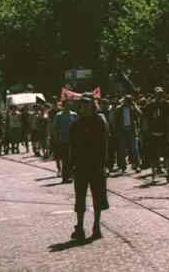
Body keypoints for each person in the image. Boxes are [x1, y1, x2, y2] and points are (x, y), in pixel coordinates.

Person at [69, 95, 110, 240]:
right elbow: (72, 147)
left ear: (93, 106)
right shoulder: (76, 123)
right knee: (80, 197)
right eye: (82, 105)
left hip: (96, 165)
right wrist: (70, 166)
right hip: (80, 165)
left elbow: (105, 145)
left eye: (87, 105)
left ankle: (96, 226)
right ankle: (80, 227)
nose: (84, 107)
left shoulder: (100, 121)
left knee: (98, 196)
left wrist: (106, 164)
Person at [145, 87, 169, 183]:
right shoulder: (149, 105)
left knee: (167, 155)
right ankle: (154, 175)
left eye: (161, 94)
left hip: (164, 133)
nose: (159, 96)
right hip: (153, 133)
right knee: (153, 156)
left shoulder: (166, 105)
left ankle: (168, 174)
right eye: (158, 94)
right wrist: (147, 132)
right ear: (154, 95)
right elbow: (146, 119)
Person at [52, 101, 78, 183]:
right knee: (65, 159)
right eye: (66, 105)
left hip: (73, 140)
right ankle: (65, 177)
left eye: (69, 105)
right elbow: (55, 128)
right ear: (63, 106)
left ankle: (72, 175)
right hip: (63, 140)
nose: (68, 106)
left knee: (73, 159)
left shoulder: (74, 114)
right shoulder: (58, 115)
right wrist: (56, 139)